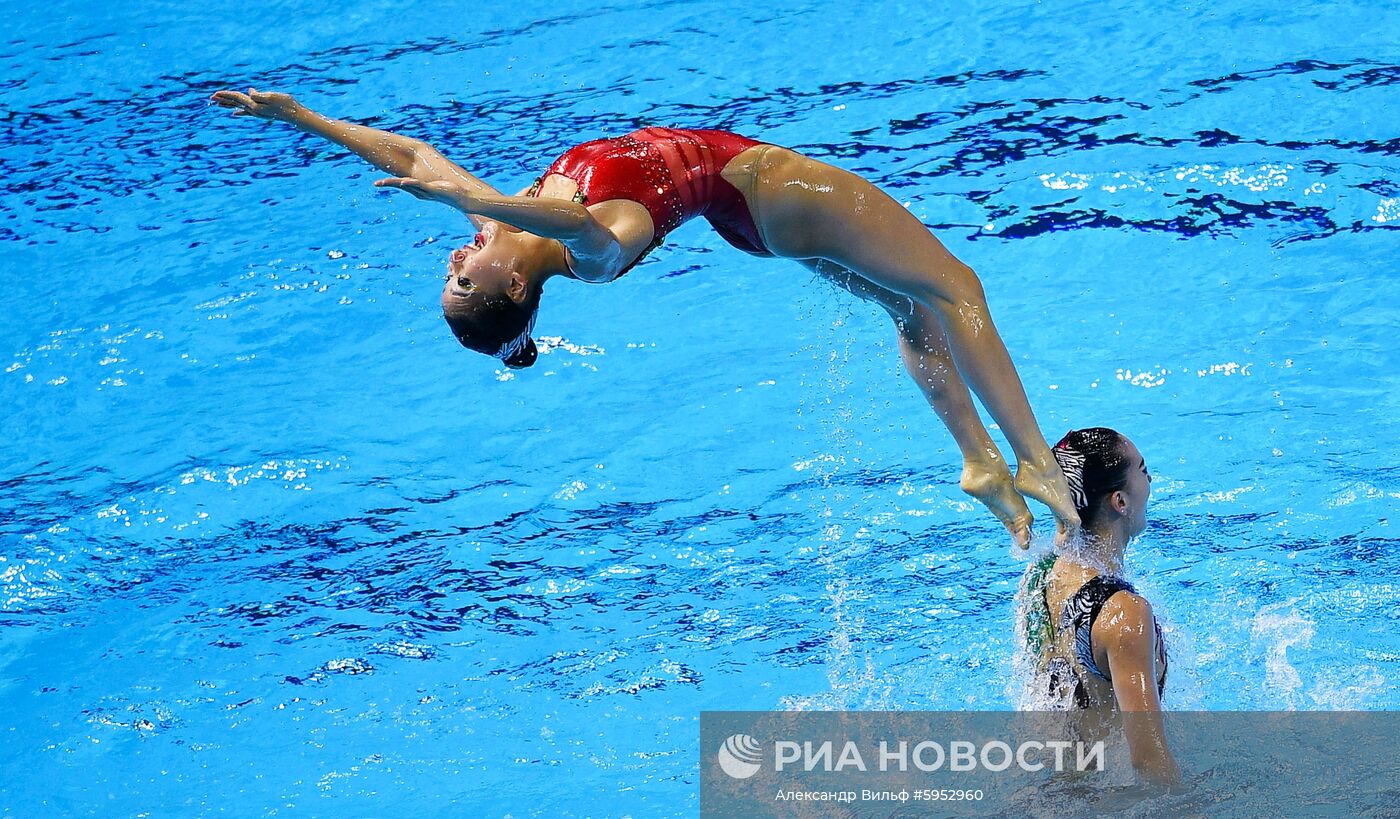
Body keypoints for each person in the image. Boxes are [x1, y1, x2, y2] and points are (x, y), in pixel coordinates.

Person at [209, 88, 1079, 546]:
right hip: (768, 191)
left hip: (750, 218)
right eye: (462, 281)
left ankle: (978, 462)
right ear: (514, 291)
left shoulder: (494, 224)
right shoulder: (592, 255)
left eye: (453, 271)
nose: (454, 259)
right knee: (956, 285)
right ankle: (1035, 461)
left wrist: (299, 118)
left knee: (909, 306)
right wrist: (469, 192)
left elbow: (407, 153)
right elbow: (585, 221)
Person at [1019, 427, 1179, 784]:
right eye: (1141, 468)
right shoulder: (1126, 615)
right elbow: (1149, 761)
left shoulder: (1043, 576)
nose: (1149, 479)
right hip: (1109, 816)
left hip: (1062, 792)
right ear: (1120, 501)